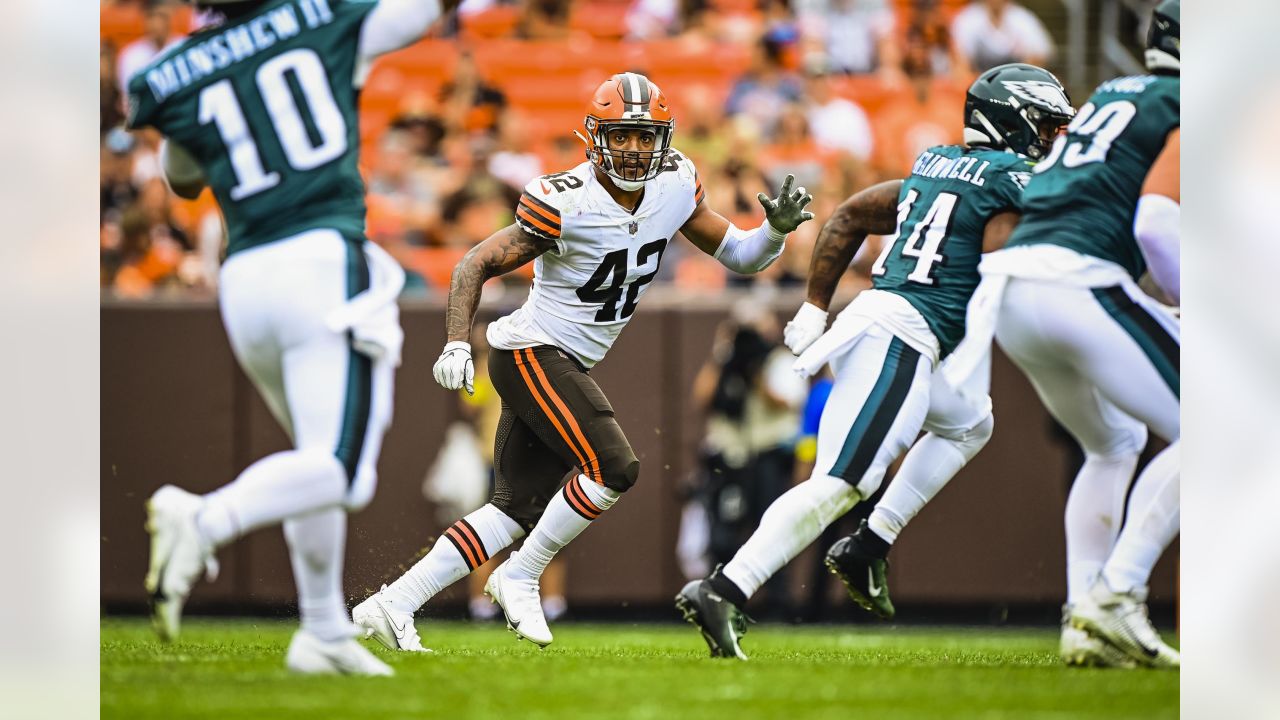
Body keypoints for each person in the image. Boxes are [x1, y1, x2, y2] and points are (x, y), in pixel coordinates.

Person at [352, 72, 815, 650]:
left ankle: (393, 603)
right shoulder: (563, 199)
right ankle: (520, 576)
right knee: (615, 468)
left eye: (645, 136)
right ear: (596, 136)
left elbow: (741, 256)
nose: (634, 148)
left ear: (663, 139)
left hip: (564, 360)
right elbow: (474, 263)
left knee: (514, 507)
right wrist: (452, 341)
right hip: (531, 354)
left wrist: (773, 231)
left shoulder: (675, 185)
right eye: (621, 135)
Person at [675, 63, 1075, 660]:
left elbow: (850, 215)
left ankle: (868, 545)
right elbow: (1005, 261)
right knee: (843, 481)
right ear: (1013, 118)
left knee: (970, 421)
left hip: (899, 329)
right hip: (902, 332)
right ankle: (724, 587)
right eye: (1044, 124)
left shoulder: (937, 164)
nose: (1050, 139)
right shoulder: (1012, 180)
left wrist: (816, 305)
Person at [131, 0, 462, 676]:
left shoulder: (184, 67)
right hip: (319, 259)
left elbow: (183, 178)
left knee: (313, 461)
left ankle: (321, 630)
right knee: (343, 470)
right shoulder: (322, 18)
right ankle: (205, 521)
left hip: (245, 274)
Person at [944, 0, 1181, 669]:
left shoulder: (1115, 92)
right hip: (1074, 279)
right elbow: (1157, 224)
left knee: (1115, 441)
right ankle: (1119, 592)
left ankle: (1083, 618)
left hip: (1015, 285)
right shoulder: (1186, 103)